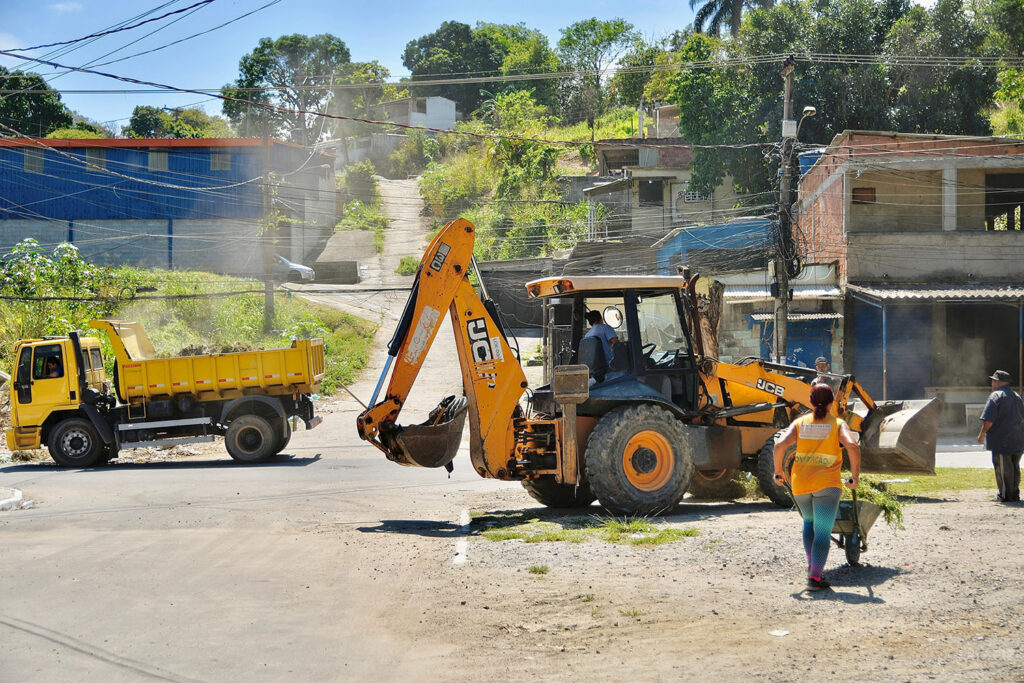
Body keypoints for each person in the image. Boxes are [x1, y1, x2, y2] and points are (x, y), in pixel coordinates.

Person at [773, 384, 861, 592]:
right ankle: (815, 578)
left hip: (800, 483)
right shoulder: (837, 424)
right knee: (822, 532)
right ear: (832, 403)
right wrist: (855, 476)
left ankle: (813, 567)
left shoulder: (799, 423)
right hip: (826, 485)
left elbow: (779, 446)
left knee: (809, 523)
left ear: (811, 402)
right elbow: (853, 446)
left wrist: (778, 472)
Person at [977, 370, 1024, 503]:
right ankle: (1014, 494)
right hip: (1018, 439)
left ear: (998, 382)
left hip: (1002, 439)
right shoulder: (1017, 396)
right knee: (1014, 467)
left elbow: (988, 420)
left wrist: (982, 434)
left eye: (993, 380)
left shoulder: (995, 396)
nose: (992, 383)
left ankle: (1004, 495)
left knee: (1003, 468)